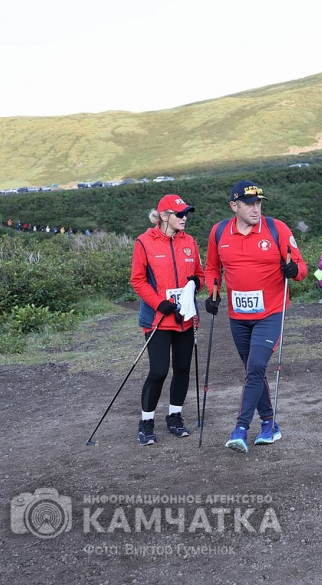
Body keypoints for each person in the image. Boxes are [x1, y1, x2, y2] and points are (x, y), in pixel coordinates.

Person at [203, 180, 307, 453]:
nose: (255, 208)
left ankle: (240, 429)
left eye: (258, 202)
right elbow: (212, 268)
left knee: (256, 366)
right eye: (249, 203)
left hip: (271, 312)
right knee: (254, 371)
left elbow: (302, 269)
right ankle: (270, 424)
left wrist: (292, 269)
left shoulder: (276, 229)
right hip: (238, 316)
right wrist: (212, 292)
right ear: (234, 206)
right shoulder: (219, 233)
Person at [130, 194, 204, 445]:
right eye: (179, 214)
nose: (184, 218)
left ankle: (175, 417)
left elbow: (200, 276)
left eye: (186, 214)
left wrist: (196, 282)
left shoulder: (190, 242)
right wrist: (159, 303)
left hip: (185, 317)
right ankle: (146, 422)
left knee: (182, 369)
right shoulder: (144, 242)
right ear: (164, 216)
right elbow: (137, 280)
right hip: (157, 318)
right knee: (159, 370)